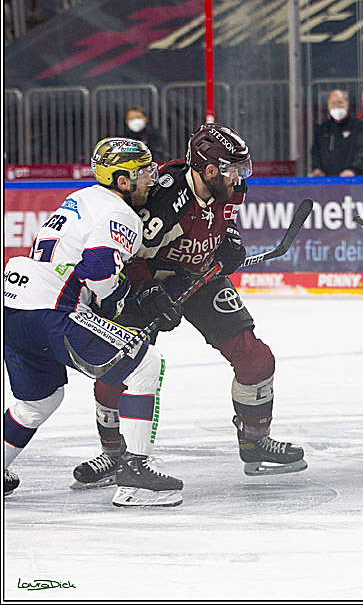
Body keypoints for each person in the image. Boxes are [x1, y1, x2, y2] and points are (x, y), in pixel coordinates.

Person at [70, 124, 306, 489]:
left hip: (201, 277)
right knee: (118, 370)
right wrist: (148, 292)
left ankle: (255, 442)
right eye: (233, 170)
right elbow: (128, 254)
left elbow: (224, 221)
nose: (240, 178)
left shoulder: (230, 187)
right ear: (209, 170)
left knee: (256, 358)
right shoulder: (164, 200)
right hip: (146, 282)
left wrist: (230, 240)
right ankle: (115, 455)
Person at [4, 138, 184, 506]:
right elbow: (100, 274)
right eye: (143, 173)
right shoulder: (121, 214)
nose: (151, 179)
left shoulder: (81, 198)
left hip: (14, 308)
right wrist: (121, 297)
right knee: (145, 363)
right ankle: (134, 475)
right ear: (121, 181)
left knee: (38, 403)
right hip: (52, 311)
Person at [310, 89, 363, 177]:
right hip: (327, 182)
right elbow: (315, 153)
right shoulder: (322, 129)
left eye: (340, 102)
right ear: (328, 106)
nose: (336, 106)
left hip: (353, 181)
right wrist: (317, 168)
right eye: (333, 103)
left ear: (347, 104)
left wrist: (353, 170)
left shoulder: (358, 126)